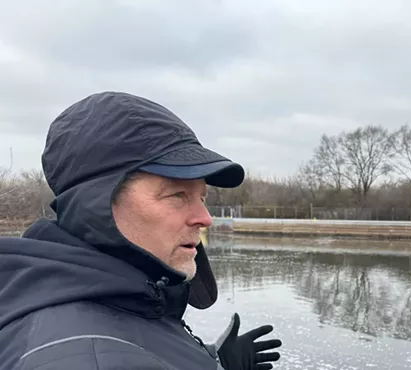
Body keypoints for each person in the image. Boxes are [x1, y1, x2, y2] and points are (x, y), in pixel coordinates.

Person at [0, 91, 282, 369]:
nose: (205, 218)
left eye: (202, 197)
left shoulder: (131, 298)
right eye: (177, 195)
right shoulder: (87, 358)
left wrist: (216, 362)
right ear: (95, 205)